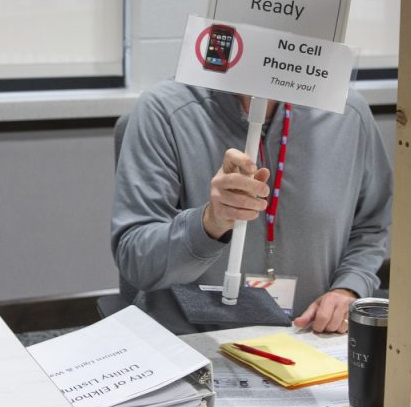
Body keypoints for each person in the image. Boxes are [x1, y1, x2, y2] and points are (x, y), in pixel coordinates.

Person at [111, 81, 392, 334]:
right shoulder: (164, 112)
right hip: (197, 343)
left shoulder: (347, 112)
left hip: (309, 342)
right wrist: (211, 222)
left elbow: (371, 226)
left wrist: (349, 288)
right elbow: (136, 259)